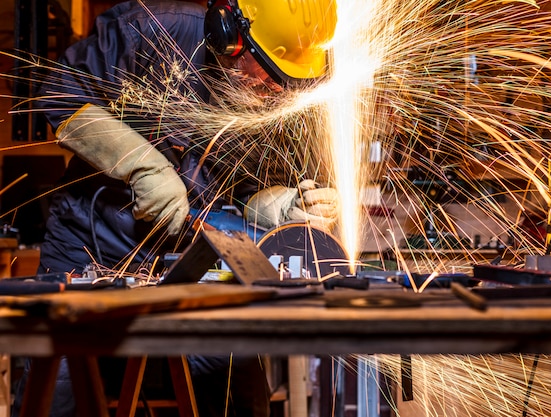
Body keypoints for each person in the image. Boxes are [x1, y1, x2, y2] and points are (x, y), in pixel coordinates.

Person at [11, 0, 338, 416]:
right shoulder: (154, 31)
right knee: (56, 388)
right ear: (231, 37)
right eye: (271, 75)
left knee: (235, 393)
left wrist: (275, 206)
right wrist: (138, 164)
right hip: (92, 243)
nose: (278, 92)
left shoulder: (280, 95)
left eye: (289, 83)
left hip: (195, 259)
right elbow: (58, 92)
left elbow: (242, 189)